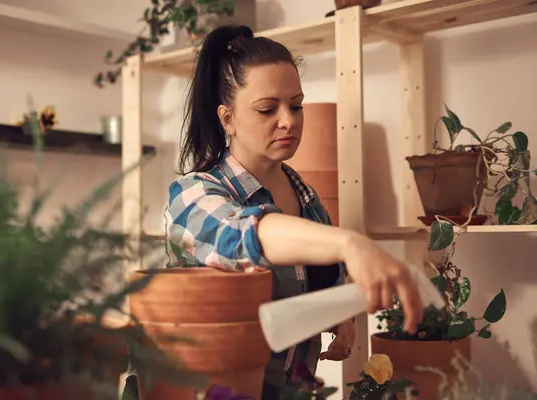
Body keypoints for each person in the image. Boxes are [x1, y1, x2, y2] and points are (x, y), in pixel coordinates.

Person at [163, 24, 423, 399]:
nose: (289, 120)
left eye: (296, 105)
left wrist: (341, 313)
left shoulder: (307, 198)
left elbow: (315, 280)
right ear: (227, 118)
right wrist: (350, 243)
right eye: (268, 109)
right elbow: (242, 236)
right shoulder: (191, 196)